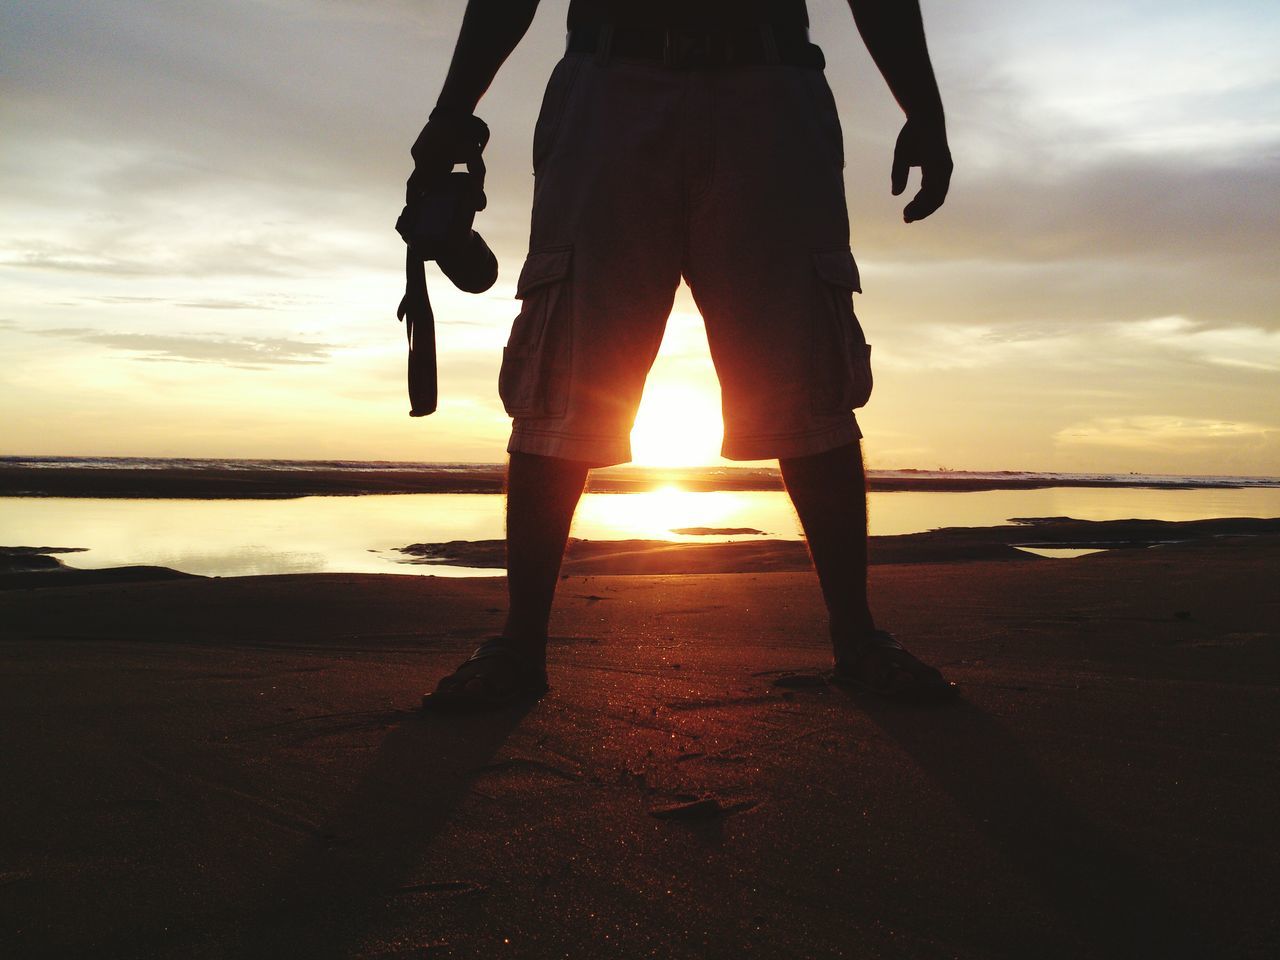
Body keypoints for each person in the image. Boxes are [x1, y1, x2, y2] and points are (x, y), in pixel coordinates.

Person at [409, 0, 955, 709]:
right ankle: (518, 644)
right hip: (612, 82)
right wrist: (452, 106)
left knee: (806, 368)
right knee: (567, 364)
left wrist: (925, 108)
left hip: (769, 86)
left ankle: (857, 638)